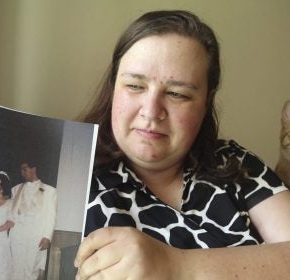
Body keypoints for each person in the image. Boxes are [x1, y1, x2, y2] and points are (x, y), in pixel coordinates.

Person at [74, 10, 290, 279]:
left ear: (206, 102)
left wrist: (174, 265)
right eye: (135, 86)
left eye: (177, 94)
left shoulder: (236, 163)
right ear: (113, 86)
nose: (151, 112)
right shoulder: (71, 174)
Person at [9, 160, 57, 280]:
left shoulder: (50, 191)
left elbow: (51, 215)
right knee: (15, 267)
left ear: (33, 169)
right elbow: (11, 213)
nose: (22, 173)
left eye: (24, 169)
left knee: (31, 269)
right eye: (21, 170)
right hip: (17, 235)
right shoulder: (15, 189)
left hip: (36, 236)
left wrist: (47, 236)